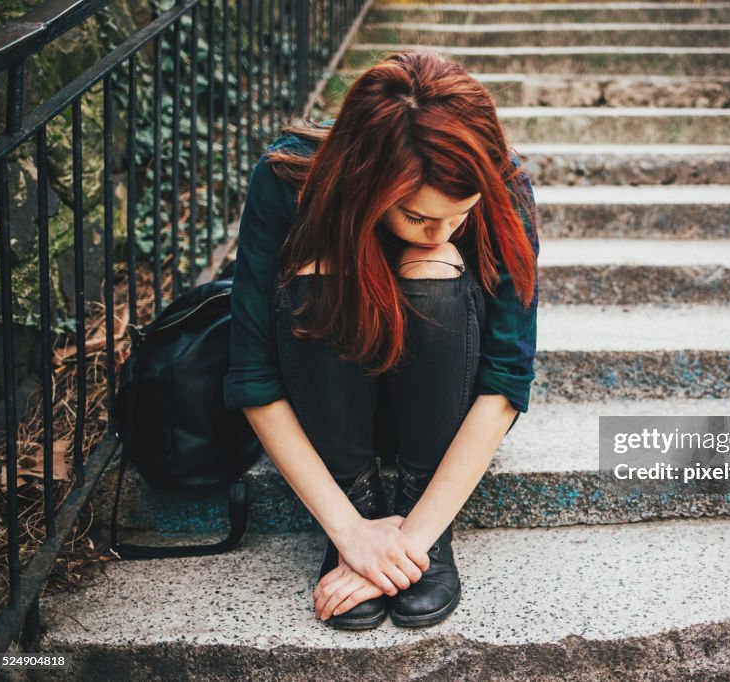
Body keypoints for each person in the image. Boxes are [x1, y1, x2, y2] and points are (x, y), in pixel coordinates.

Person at [223, 49, 540, 630]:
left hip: (445, 414)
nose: (442, 230)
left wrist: (411, 543)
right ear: (368, 182)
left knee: (433, 266)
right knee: (321, 269)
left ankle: (419, 509)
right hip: (327, 405)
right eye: (420, 216)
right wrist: (353, 533)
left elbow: (505, 379)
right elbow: (253, 375)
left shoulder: (503, 181)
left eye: (460, 214)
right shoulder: (289, 178)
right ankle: (363, 499)